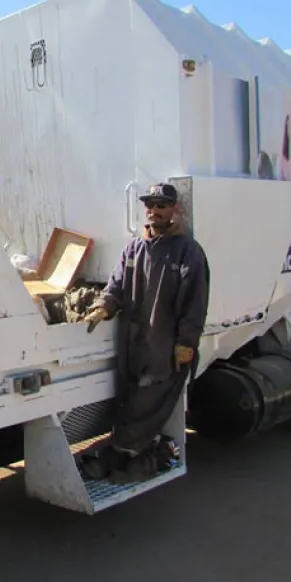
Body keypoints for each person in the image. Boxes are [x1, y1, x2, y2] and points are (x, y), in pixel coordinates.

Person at [80, 182, 210, 483]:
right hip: (133, 346)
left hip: (164, 349)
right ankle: (127, 459)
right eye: (150, 205)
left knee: (144, 408)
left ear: (174, 210)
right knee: (129, 403)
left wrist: (186, 344)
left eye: (161, 205)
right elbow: (115, 286)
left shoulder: (188, 252)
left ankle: (144, 459)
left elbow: (196, 303)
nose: (154, 211)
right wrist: (104, 307)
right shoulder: (134, 249)